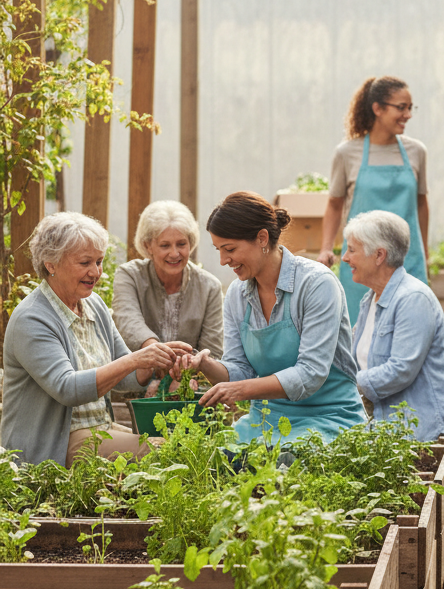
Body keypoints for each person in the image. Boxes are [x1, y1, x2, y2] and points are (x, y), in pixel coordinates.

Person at [2, 212, 189, 465]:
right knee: (163, 452)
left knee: (180, 445)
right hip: (53, 444)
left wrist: (155, 363)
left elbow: (126, 376)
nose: (96, 272)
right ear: (51, 263)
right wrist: (136, 359)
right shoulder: (32, 318)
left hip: (97, 430)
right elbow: (67, 389)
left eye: (99, 261)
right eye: (85, 263)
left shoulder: (93, 305)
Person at [188, 192, 366, 444]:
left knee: (288, 461)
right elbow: (240, 369)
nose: (223, 260)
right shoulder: (237, 295)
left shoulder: (316, 284)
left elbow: (311, 373)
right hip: (266, 420)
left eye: (229, 249)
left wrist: (240, 391)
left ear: (262, 238)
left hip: (329, 417)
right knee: (215, 456)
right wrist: (204, 365)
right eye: (218, 250)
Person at [343, 209, 444, 442]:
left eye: (351, 250)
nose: (345, 258)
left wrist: (345, 383)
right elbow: (351, 358)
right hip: (388, 426)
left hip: (425, 432)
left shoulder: (413, 298)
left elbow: (400, 370)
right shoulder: (370, 299)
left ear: (379, 255)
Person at [318, 76, 429, 319]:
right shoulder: (347, 153)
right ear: (377, 108)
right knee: (359, 333)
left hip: (407, 259)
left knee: (410, 327)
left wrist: (425, 253)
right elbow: (335, 205)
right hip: (361, 262)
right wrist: (326, 248)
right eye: (401, 107)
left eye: (410, 107)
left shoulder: (416, 151)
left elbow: (421, 204)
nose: (408, 114)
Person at [112, 199, 224, 398]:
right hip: (136, 384)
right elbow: (128, 321)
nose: (175, 253)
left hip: (190, 385)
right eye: (165, 245)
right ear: (148, 246)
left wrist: (184, 373)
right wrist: (156, 352)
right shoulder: (129, 275)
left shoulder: (210, 287)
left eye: (181, 244)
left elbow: (211, 348)